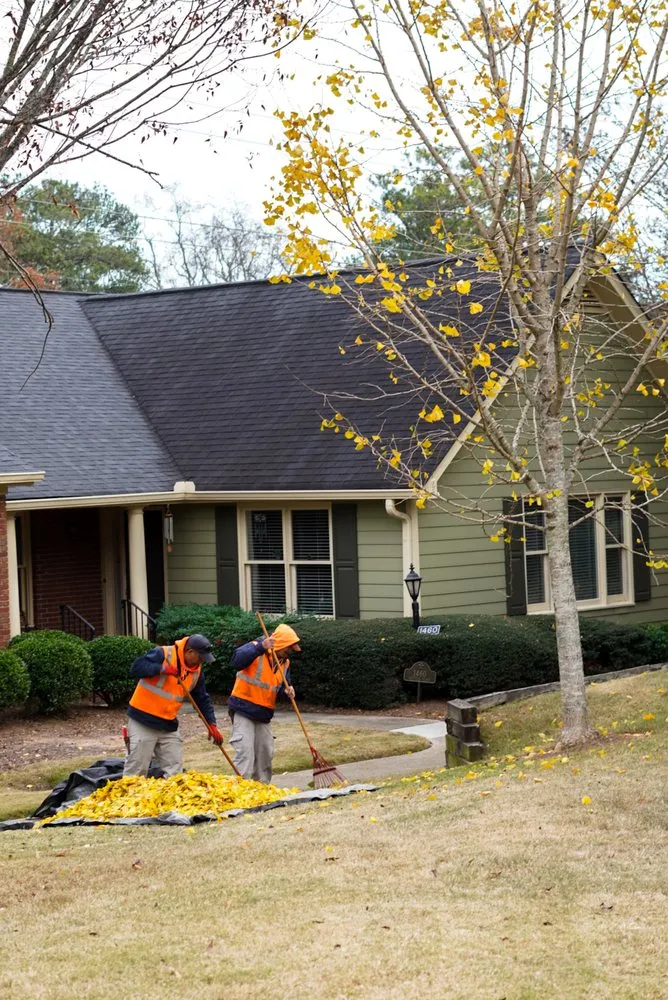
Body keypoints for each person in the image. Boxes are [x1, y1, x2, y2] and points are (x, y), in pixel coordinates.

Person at [124, 633, 224, 778]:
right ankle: (129, 800)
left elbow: (202, 699)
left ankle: (167, 800)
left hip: (168, 725)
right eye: (200, 657)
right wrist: (161, 669)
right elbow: (136, 668)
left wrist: (211, 724)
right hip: (143, 720)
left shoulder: (196, 672)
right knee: (137, 769)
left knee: (175, 772)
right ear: (190, 651)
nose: (202, 661)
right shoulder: (163, 653)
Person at [228, 623, 301, 783]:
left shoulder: (284, 662)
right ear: (281, 643)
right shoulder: (256, 648)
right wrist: (261, 647)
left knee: (265, 752)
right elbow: (236, 661)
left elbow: (281, 684)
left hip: (264, 714)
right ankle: (242, 791)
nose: (289, 652)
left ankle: (262, 789)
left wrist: (287, 690)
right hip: (243, 709)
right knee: (245, 752)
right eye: (288, 648)